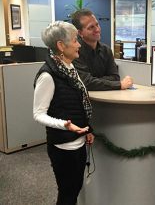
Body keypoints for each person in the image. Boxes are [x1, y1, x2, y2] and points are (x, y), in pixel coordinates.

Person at [33, 21, 94, 205]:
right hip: (62, 146)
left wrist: (88, 129)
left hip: (78, 142)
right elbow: (38, 114)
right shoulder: (48, 75)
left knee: (74, 189)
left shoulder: (68, 68)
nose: (79, 44)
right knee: (67, 194)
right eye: (75, 40)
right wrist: (64, 124)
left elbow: (79, 103)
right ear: (61, 45)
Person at [71, 9, 133, 91]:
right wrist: (119, 85)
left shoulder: (106, 50)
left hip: (107, 98)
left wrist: (95, 81)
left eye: (97, 24)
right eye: (91, 27)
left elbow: (115, 77)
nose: (97, 29)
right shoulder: (75, 51)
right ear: (80, 33)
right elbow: (86, 82)